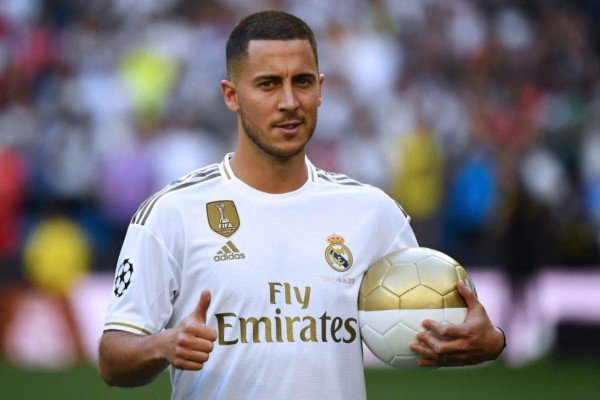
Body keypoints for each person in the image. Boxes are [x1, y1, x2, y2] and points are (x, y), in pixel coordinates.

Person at [98, 10, 505, 399]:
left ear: (321, 89)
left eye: (303, 82)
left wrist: (490, 342)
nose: (290, 101)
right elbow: (112, 356)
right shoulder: (172, 213)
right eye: (269, 84)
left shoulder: (372, 212)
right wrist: (164, 345)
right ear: (231, 95)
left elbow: (427, 332)